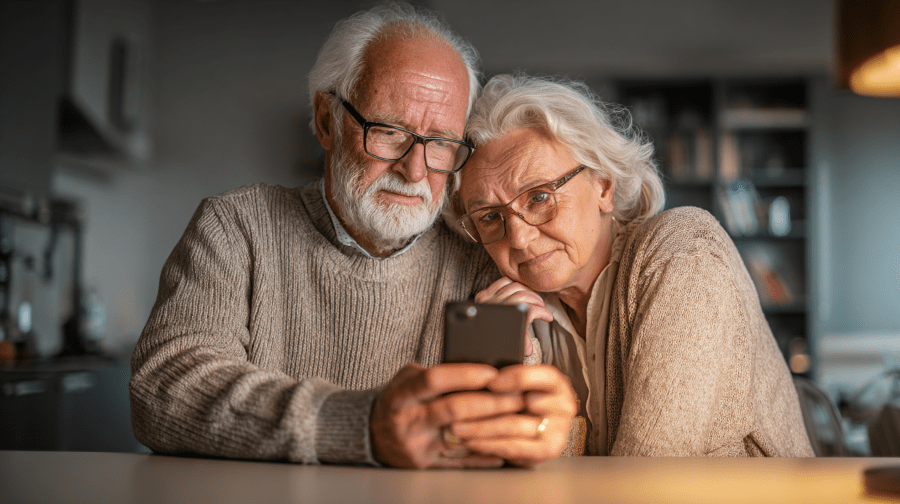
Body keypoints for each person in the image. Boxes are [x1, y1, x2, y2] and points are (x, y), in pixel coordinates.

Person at [129, 4, 576, 469]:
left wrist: (521, 389)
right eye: (388, 132)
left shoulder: (479, 258)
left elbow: (525, 449)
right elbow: (164, 389)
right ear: (327, 121)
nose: (415, 169)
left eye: (441, 142)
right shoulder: (236, 226)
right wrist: (360, 426)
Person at [452, 73, 815, 457]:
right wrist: (512, 355)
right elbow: (489, 473)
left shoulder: (683, 251)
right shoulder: (508, 305)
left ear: (603, 187)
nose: (519, 238)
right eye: (490, 217)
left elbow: (645, 478)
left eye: (539, 197)